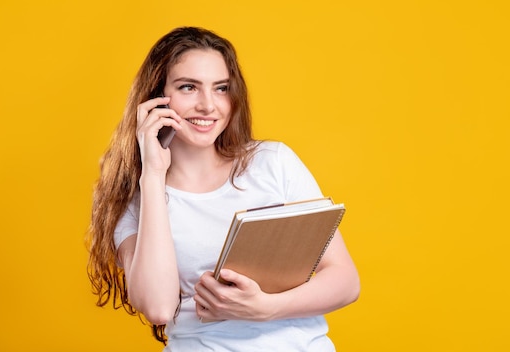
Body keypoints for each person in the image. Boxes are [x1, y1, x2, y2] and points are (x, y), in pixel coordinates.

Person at [86, 26, 360, 351]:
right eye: (188, 87)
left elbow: (345, 281)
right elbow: (158, 307)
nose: (208, 105)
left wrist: (266, 308)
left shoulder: (273, 163)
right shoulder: (137, 199)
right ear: (155, 97)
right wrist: (153, 176)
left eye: (221, 88)